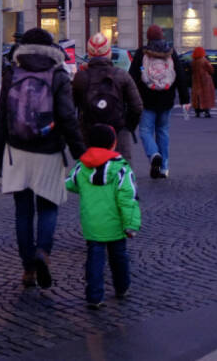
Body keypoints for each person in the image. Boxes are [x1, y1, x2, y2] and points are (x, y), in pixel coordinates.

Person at [0, 27, 86, 290]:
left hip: (16, 149)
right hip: (49, 149)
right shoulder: (58, 74)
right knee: (48, 206)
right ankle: (43, 252)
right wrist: (80, 153)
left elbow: (1, 118)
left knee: (23, 212)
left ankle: (28, 269)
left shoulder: (12, 72)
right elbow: (67, 117)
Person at [65, 124, 141, 309]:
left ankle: (94, 296)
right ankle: (122, 287)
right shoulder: (122, 169)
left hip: (92, 224)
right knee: (119, 257)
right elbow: (128, 198)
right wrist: (131, 224)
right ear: (113, 144)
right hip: (116, 224)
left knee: (94, 259)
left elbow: (70, 184)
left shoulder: (81, 166)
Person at [128, 25, 190, 179]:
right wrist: (184, 99)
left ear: (148, 37)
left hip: (147, 100)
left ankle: (154, 154)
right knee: (162, 131)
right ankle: (163, 168)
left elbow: (132, 78)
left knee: (145, 131)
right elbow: (180, 76)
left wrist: (129, 98)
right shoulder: (171, 52)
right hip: (166, 99)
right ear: (162, 36)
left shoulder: (142, 52)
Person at [72, 33, 143, 162]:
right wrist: (127, 127)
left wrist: (80, 128)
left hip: (89, 132)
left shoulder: (81, 77)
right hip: (118, 132)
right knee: (121, 174)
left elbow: (71, 107)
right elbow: (137, 107)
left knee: (90, 174)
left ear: (89, 54)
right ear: (109, 53)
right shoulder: (121, 75)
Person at [190, 46, 216, 118]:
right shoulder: (204, 60)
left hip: (196, 80)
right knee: (206, 95)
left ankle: (197, 112)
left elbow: (192, 70)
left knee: (196, 96)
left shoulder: (193, 61)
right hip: (205, 80)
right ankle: (206, 112)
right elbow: (211, 69)